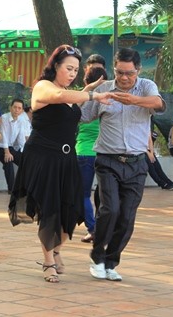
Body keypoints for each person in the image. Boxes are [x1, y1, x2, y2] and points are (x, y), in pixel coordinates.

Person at [8, 44, 114, 283]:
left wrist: (88, 88)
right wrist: (93, 95)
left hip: (66, 158)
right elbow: (58, 97)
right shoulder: (43, 87)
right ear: (55, 66)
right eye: (68, 68)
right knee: (50, 209)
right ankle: (48, 261)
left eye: (76, 69)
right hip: (43, 157)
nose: (72, 73)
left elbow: (70, 102)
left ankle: (55, 250)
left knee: (74, 207)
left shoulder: (71, 94)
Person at [81, 47, 166, 282]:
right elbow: (82, 115)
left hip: (137, 163)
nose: (124, 78)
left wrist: (134, 100)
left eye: (129, 73)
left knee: (127, 216)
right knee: (110, 209)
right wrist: (87, 92)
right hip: (108, 160)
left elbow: (159, 104)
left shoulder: (147, 87)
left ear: (137, 70)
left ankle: (111, 262)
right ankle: (97, 258)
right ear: (114, 69)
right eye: (119, 72)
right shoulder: (104, 90)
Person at [76, 65, 107, 244]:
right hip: (104, 152)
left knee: (83, 194)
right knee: (105, 196)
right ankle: (102, 228)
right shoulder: (108, 100)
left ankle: (93, 228)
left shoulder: (84, 100)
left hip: (84, 153)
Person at [0, 98, 30, 194]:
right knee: (8, 160)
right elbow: (4, 136)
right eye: (15, 107)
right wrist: (7, 152)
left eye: (19, 108)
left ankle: (26, 187)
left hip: (9, 147)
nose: (16, 110)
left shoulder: (20, 120)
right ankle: (12, 189)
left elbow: (21, 139)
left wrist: (28, 153)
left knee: (25, 161)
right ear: (10, 108)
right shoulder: (4, 118)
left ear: (22, 110)